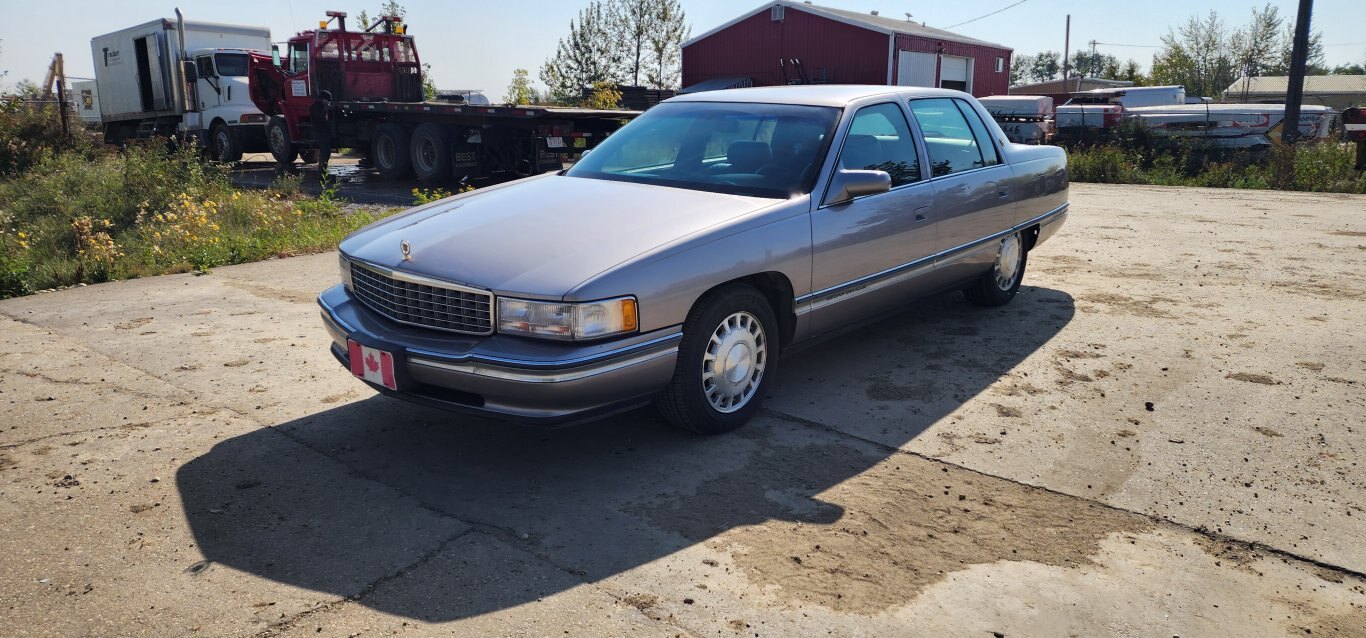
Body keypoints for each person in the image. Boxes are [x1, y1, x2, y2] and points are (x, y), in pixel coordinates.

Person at [310, 90, 336, 177]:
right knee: (325, 152)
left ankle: (322, 172)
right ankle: (321, 173)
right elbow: (321, 118)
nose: (328, 102)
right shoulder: (315, 107)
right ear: (323, 99)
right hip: (319, 132)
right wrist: (326, 108)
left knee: (326, 152)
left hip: (324, 132)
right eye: (327, 100)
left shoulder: (321, 106)